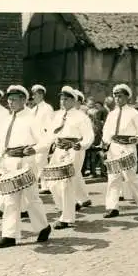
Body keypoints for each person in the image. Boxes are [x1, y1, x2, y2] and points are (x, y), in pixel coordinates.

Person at [0, 85, 52, 249]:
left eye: (15, 99)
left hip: (26, 162)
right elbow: (0, 142)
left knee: (31, 198)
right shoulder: (7, 119)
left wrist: (35, 149)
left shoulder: (32, 118)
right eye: (9, 99)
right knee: (10, 200)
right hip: (9, 162)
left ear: (24, 100)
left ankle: (43, 227)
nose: (11, 102)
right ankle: (9, 235)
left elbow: (45, 140)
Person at [47, 86, 94, 229]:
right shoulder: (58, 115)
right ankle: (67, 207)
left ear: (74, 101)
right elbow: (50, 132)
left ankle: (67, 218)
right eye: (61, 98)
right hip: (59, 150)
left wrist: (82, 145)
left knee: (67, 183)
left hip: (74, 149)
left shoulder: (81, 117)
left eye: (66, 99)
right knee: (52, 182)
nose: (63, 101)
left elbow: (89, 135)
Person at [101, 84, 138, 218]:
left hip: (128, 147)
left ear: (127, 97)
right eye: (115, 96)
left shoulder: (133, 113)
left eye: (120, 96)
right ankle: (112, 207)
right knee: (113, 178)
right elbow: (106, 131)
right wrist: (106, 143)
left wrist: (137, 139)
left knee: (130, 177)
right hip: (114, 148)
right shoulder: (112, 114)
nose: (117, 98)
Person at [30, 84, 55, 194]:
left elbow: (50, 126)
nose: (33, 96)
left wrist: (48, 141)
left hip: (43, 140)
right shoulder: (33, 109)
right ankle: (45, 185)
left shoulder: (47, 108)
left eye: (35, 94)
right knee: (39, 163)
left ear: (41, 94)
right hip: (34, 140)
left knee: (40, 162)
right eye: (33, 94)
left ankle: (44, 186)